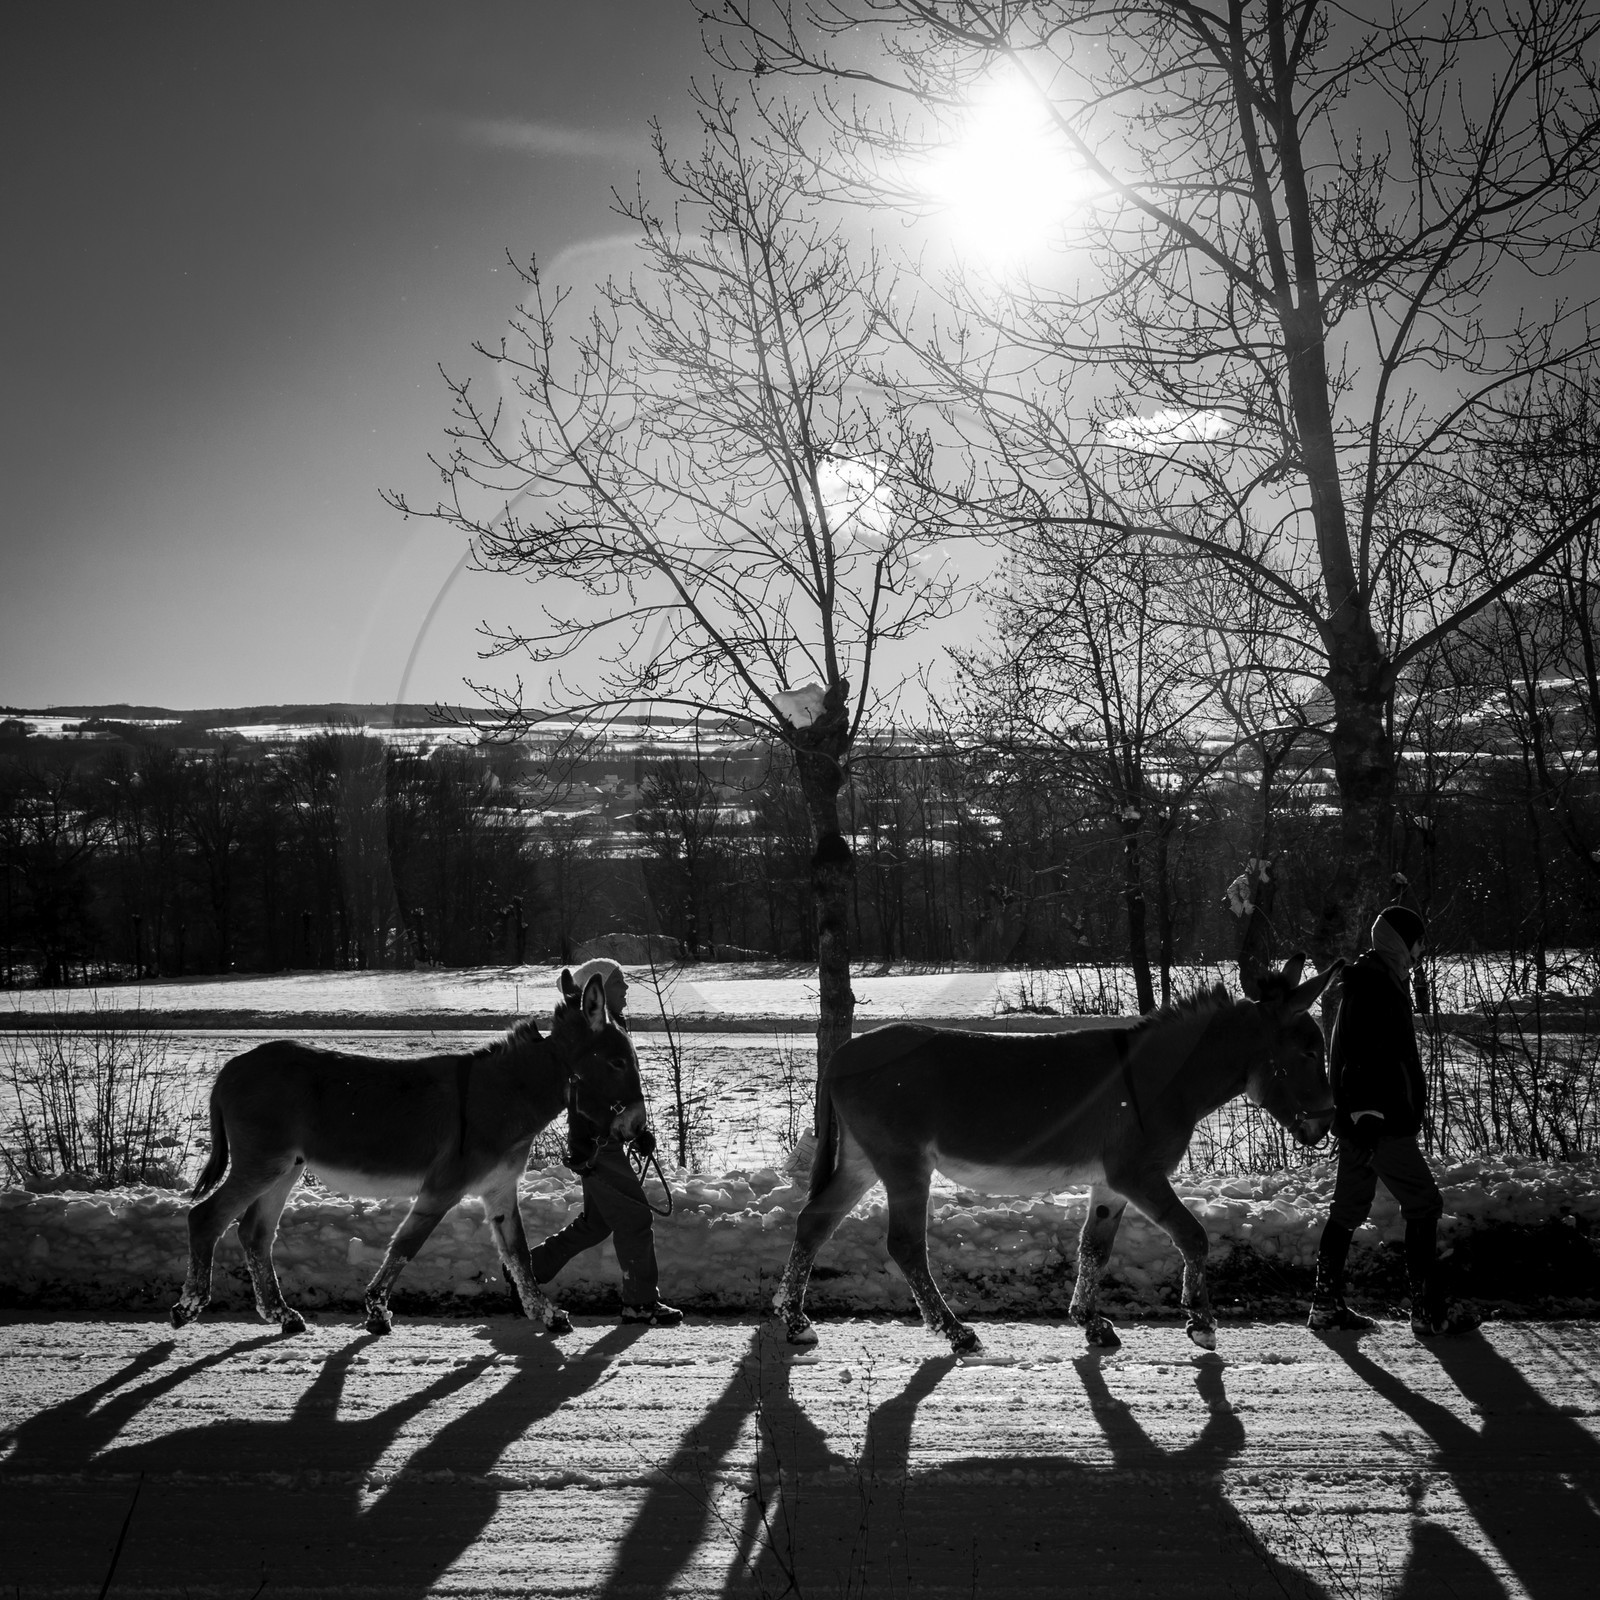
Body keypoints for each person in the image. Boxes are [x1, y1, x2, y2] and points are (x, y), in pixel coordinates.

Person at [1309, 906, 1475, 1337]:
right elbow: (1363, 1059)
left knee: (1347, 1209)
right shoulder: (1374, 986)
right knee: (1424, 1203)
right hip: (1379, 1124)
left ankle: (1325, 1306)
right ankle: (1428, 1313)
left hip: (1363, 1121)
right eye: (1418, 941)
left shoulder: (1376, 980)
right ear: (1402, 943)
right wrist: (1370, 1117)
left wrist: (1360, 1117)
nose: (1422, 951)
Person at [527, 958, 683, 1328]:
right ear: (596, 993)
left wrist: (638, 1129)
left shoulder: (611, 1029)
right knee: (634, 1218)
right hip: (598, 1145)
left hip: (604, 1141)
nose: (626, 989)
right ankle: (640, 1304)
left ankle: (524, 1269)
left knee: (597, 1224)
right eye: (620, 983)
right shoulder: (588, 1037)